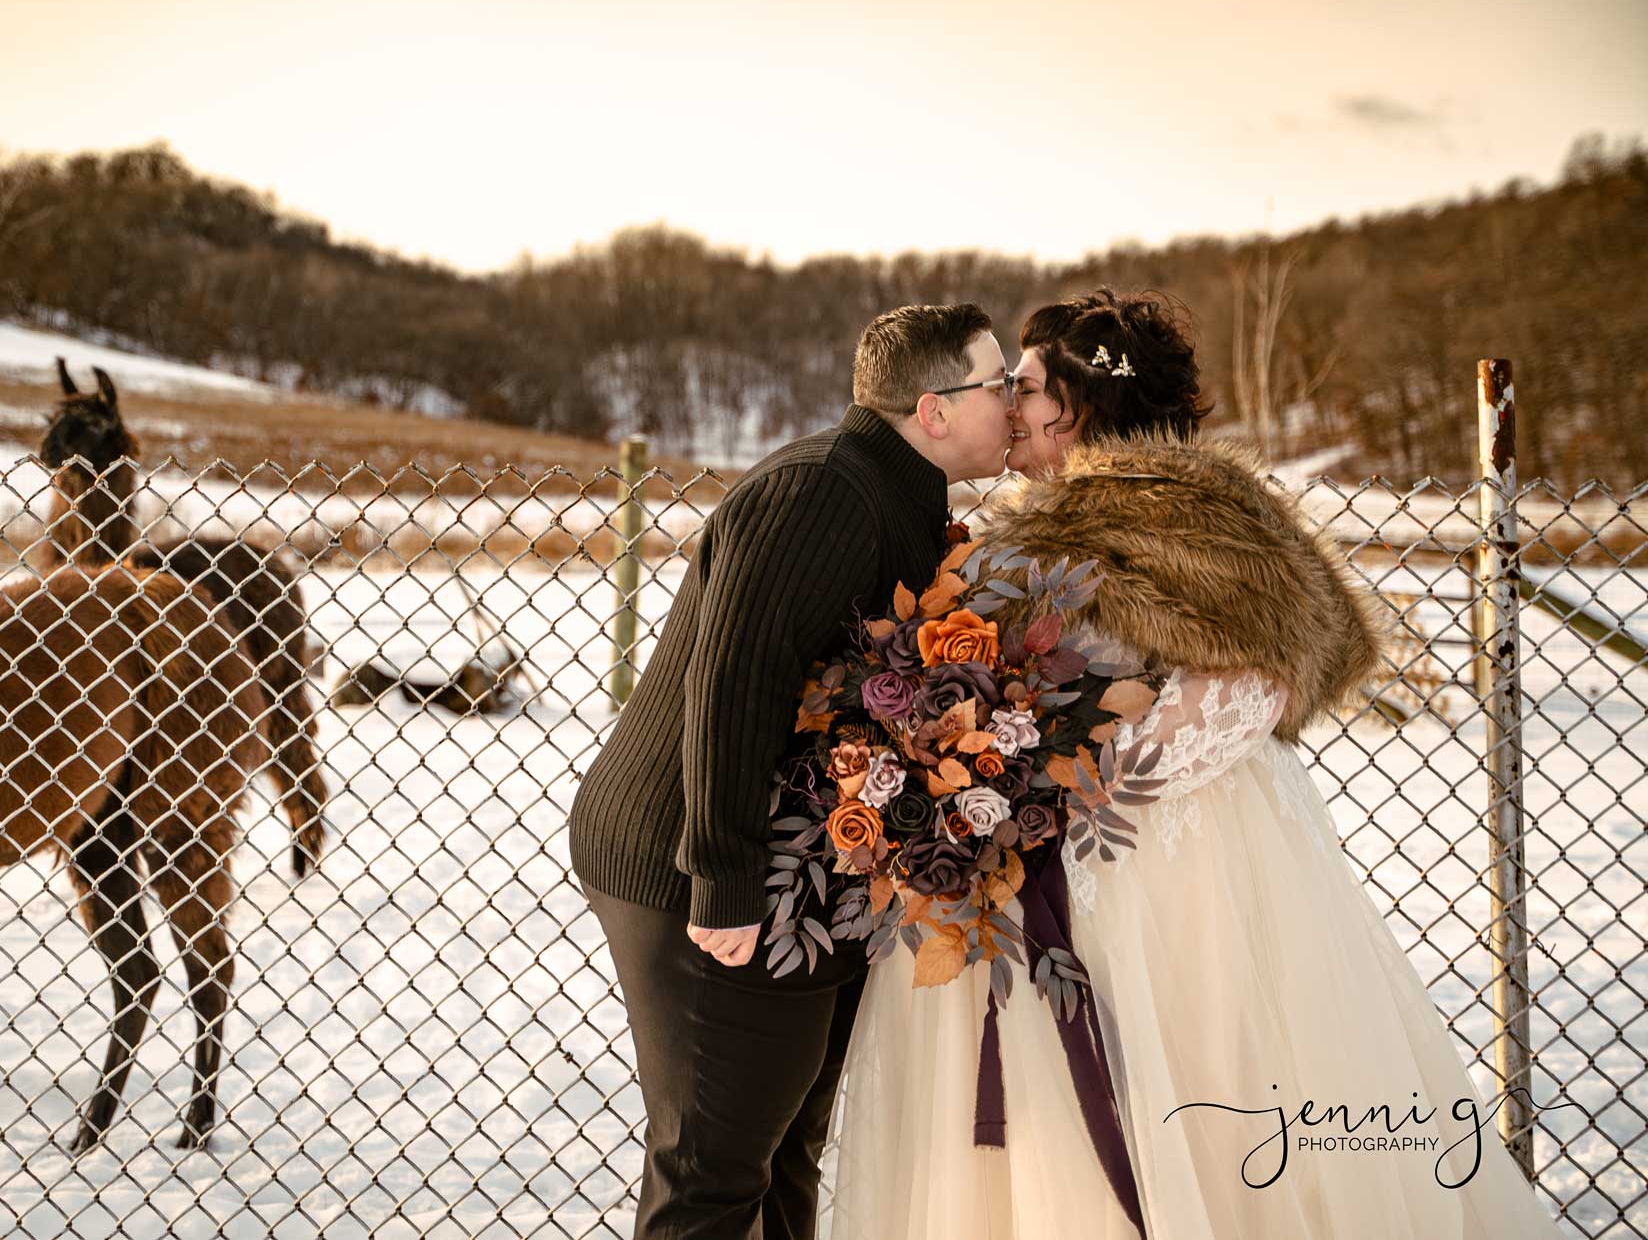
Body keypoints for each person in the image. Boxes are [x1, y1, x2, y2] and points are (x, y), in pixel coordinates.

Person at [829, 288, 1570, 1238]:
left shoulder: (1195, 514)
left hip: (1185, 853)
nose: (1009, 401)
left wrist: (1063, 769)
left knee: (1209, 1077)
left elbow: (1254, 684)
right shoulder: (1017, 527)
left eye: (1026, 383)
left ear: (1078, 406)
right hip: (1040, 857)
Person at [568, 303, 1017, 1239]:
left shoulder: (900, 497)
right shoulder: (824, 491)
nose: (1014, 399)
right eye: (999, 381)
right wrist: (724, 882)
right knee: (714, 1170)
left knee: (780, 1155)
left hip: (796, 873)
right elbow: (735, 683)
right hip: (695, 857)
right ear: (933, 410)